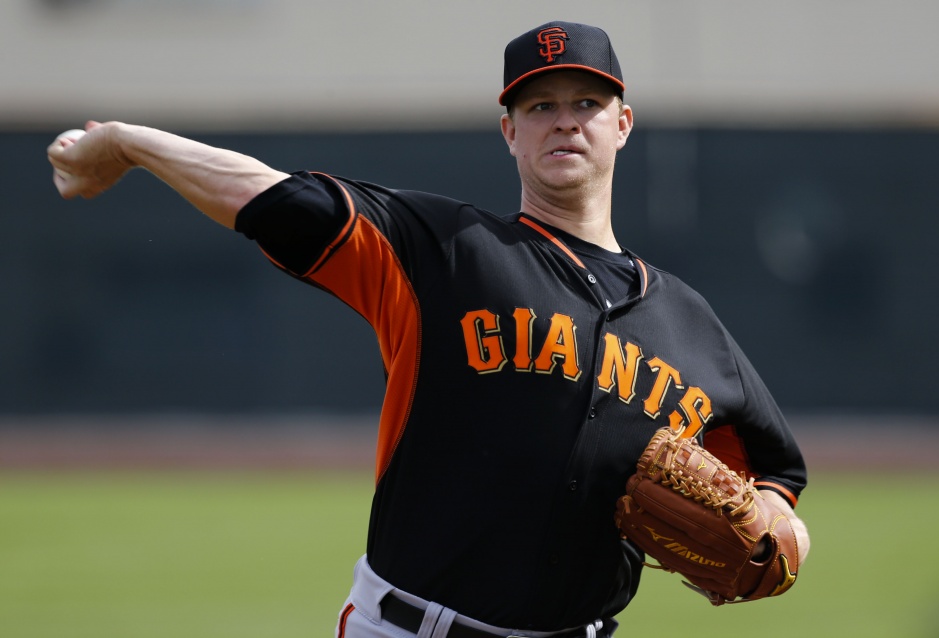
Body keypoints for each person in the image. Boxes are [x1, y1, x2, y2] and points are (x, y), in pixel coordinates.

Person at [48, 21, 810, 638]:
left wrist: (779, 533)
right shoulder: (445, 250)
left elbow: (777, 472)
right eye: (540, 106)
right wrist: (128, 143)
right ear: (508, 131)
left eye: (585, 102)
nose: (564, 121)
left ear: (623, 123)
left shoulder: (689, 322)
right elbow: (273, 198)